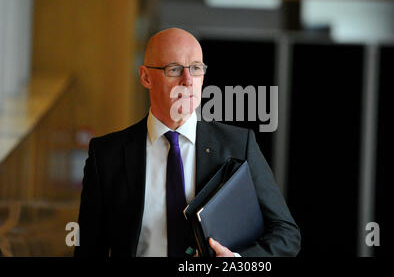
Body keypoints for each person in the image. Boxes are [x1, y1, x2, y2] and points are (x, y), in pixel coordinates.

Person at [74, 28, 301, 257]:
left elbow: (286, 234)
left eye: (195, 68)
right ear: (145, 77)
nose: (188, 80)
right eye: (174, 69)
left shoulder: (239, 145)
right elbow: (88, 250)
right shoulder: (106, 155)